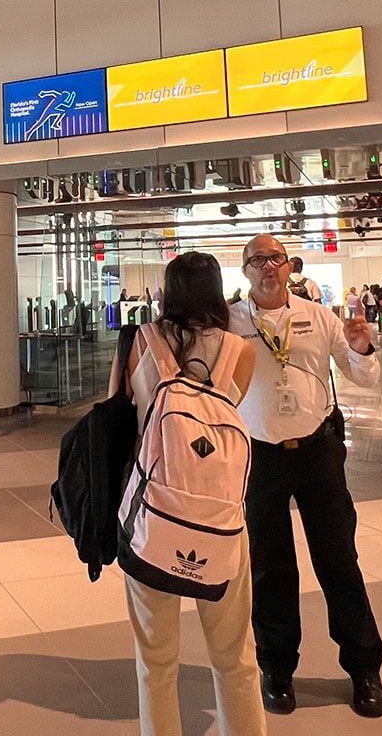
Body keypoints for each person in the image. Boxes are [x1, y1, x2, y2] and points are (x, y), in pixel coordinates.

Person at [231, 234, 382, 719]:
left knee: (339, 559)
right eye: (257, 260)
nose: (267, 267)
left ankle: (364, 668)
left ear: (288, 264)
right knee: (270, 568)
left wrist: (362, 348)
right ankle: (277, 669)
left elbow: (365, 377)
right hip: (258, 456)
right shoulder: (231, 321)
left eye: (274, 258)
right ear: (245, 270)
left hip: (317, 451)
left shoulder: (319, 316)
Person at [109, 252, 264, 736]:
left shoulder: (139, 342)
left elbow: (114, 420)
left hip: (153, 516)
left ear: (167, 291)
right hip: (219, 518)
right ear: (218, 292)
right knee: (236, 656)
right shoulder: (242, 352)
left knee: (156, 660)